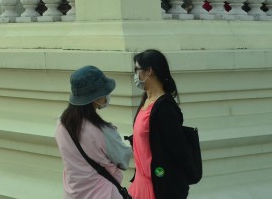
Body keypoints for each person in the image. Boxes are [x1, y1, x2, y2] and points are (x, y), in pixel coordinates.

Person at [55, 66, 131, 198]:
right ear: (94, 97)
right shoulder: (102, 131)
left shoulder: (61, 124)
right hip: (103, 194)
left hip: (73, 194)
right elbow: (123, 159)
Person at [130, 49, 195, 199]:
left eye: (137, 70)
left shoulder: (165, 108)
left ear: (149, 71)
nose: (135, 75)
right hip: (140, 186)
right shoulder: (145, 101)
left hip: (158, 189)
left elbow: (179, 151)